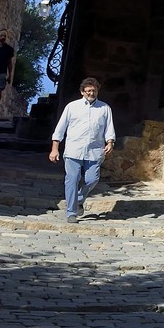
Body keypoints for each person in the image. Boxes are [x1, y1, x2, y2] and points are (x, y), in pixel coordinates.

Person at [49, 77, 115, 224]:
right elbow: (60, 129)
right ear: (82, 92)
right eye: (88, 90)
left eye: (94, 90)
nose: (91, 93)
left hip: (94, 150)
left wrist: (110, 142)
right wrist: (55, 149)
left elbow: (109, 127)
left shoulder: (105, 108)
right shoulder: (72, 107)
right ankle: (71, 212)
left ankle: (78, 199)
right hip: (74, 150)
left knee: (92, 179)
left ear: (97, 91)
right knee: (72, 179)